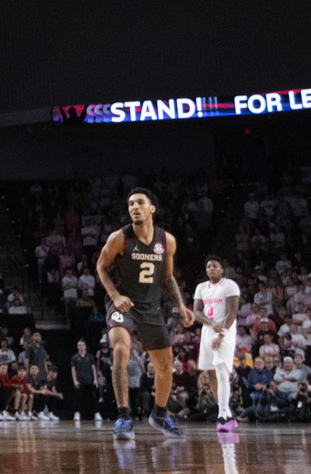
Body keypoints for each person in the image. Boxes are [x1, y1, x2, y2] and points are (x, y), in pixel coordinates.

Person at [95, 187, 193, 438]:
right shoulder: (120, 237)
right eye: (130, 204)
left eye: (139, 203)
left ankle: (159, 415)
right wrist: (116, 296)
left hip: (150, 307)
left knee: (165, 364)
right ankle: (124, 417)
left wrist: (181, 305)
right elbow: (101, 267)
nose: (134, 207)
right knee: (120, 350)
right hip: (122, 305)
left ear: (152, 209)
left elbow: (168, 278)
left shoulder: (167, 240)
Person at [192, 256, 241, 433]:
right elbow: (197, 312)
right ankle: (227, 412)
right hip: (208, 331)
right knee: (211, 373)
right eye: (208, 267)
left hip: (225, 331)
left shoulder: (229, 285)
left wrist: (221, 334)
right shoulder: (201, 287)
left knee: (221, 370)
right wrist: (211, 324)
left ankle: (222, 415)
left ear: (222, 269)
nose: (210, 269)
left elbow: (232, 312)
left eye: (214, 266)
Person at [70, 337, 101, 423]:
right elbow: (73, 369)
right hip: (80, 380)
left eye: (82, 345)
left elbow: (93, 368)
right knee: (78, 398)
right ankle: (77, 413)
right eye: (79, 345)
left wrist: (95, 379)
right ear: (77, 347)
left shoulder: (90, 357)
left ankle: (97, 413)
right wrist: (75, 380)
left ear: (85, 346)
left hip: (89, 380)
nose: (81, 347)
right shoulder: (75, 357)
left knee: (94, 398)